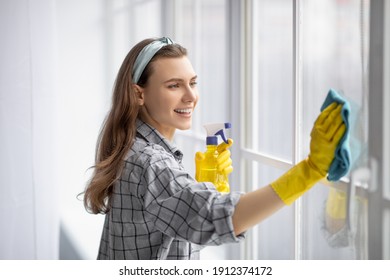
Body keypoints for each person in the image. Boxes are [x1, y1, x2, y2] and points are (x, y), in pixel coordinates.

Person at [82, 37, 346, 260]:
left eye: (193, 82)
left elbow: (177, 235)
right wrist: (309, 170)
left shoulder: (137, 149)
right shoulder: (150, 162)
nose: (190, 96)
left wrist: (202, 187)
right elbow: (219, 218)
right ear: (139, 94)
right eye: (174, 85)